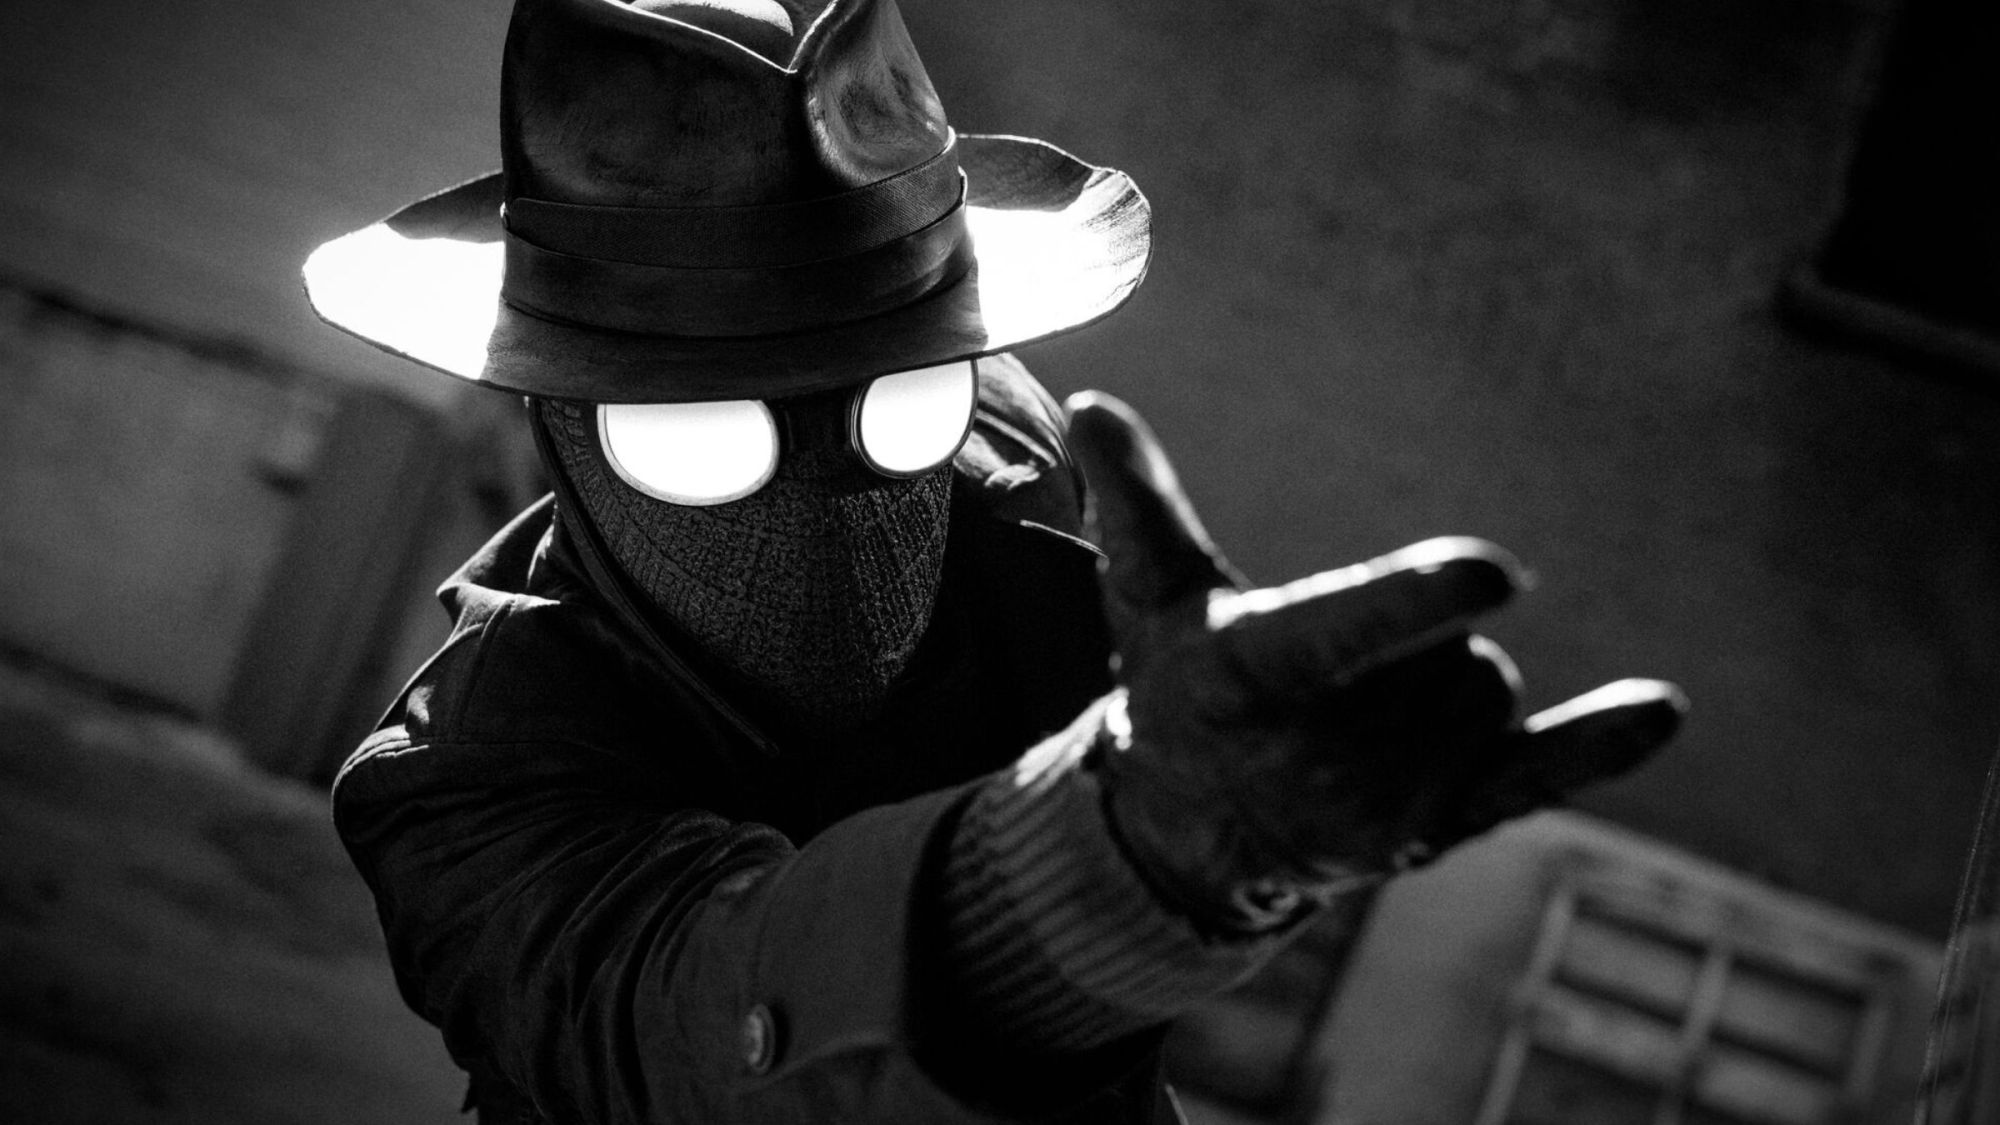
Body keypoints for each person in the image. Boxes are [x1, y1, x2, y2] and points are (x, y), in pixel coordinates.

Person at [305, 1, 1688, 1121]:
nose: (831, 480)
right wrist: (1112, 863)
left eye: (894, 402)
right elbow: (689, 1018)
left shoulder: (1009, 471)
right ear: (565, 426)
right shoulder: (465, 784)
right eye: (704, 435)